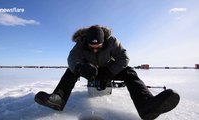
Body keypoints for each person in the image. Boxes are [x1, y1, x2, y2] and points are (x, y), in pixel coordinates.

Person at [35, 25, 180, 119]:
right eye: (92, 47)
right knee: (70, 71)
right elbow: (72, 57)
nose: (95, 49)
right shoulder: (81, 43)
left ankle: (145, 104)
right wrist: (80, 67)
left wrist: (110, 73)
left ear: (104, 40)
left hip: (108, 69)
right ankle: (58, 99)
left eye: (98, 46)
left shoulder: (112, 41)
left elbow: (123, 58)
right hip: (89, 69)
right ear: (86, 41)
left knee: (129, 72)